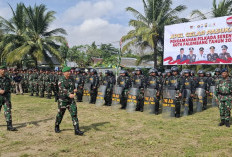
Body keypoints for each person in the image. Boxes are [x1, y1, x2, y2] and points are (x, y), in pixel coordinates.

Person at [55, 66, 84, 135]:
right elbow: (62, 89)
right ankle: (57, 125)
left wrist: (74, 90)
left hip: (71, 100)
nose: (69, 73)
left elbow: (73, 87)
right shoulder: (61, 79)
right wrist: (69, 94)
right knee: (60, 114)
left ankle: (76, 129)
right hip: (63, 100)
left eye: (70, 71)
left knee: (74, 114)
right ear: (64, 73)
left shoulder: (71, 79)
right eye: (68, 71)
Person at [0, 66, 17, 131]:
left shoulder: (8, 79)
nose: (3, 71)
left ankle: (9, 126)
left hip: (6, 97)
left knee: (8, 111)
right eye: (2, 69)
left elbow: (10, 87)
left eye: (4, 69)